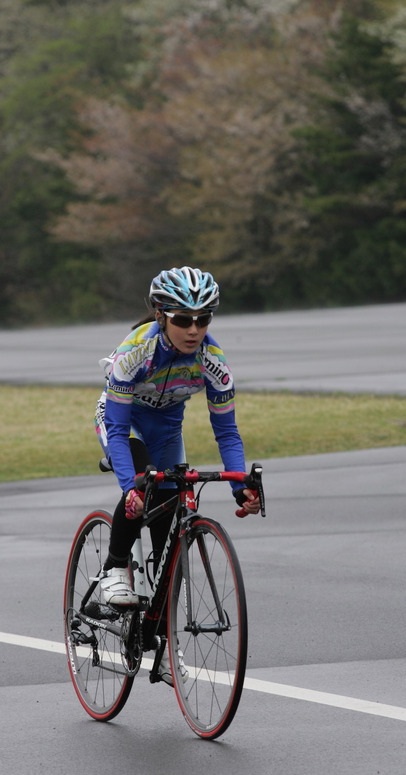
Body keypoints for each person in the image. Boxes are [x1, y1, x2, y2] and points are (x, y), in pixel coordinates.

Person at [90, 265, 260, 685]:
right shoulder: (136, 351)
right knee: (144, 482)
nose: (194, 329)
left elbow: (227, 431)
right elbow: (115, 426)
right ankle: (114, 568)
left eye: (204, 319)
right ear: (161, 316)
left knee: (170, 537)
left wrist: (241, 486)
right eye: (184, 319)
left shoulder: (213, 361)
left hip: (167, 429)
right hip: (124, 424)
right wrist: (130, 486)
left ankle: (162, 640)